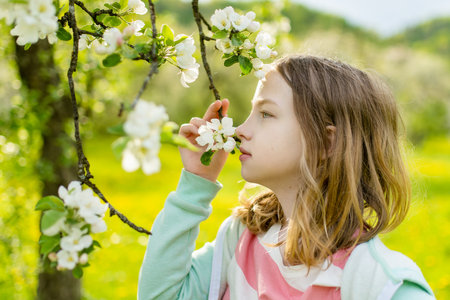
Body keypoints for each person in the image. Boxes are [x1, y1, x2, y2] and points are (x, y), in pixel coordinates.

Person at [137, 55, 435, 299]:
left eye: (266, 114)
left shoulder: (381, 284)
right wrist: (196, 182)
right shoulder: (242, 238)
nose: (240, 130)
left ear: (326, 143)